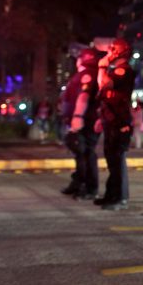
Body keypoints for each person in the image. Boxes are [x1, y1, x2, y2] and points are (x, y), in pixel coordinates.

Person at [95, 39, 135, 210]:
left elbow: (105, 84)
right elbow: (102, 89)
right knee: (111, 160)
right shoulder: (114, 71)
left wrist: (102, 67)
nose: (109, 52)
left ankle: (120, 198)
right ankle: (111, 195)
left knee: (117, 160)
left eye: (112, 49)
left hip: (120, 121)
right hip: (110, 120)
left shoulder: (124, 70)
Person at [60, 48, 101, 200]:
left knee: (86, 153)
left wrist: (77, 116)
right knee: (79, 153)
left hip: (86, 121)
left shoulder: (87, 74)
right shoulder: (83, 74)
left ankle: (90, 188)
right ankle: (78, 182)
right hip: (81, 120)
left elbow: (83, 96)